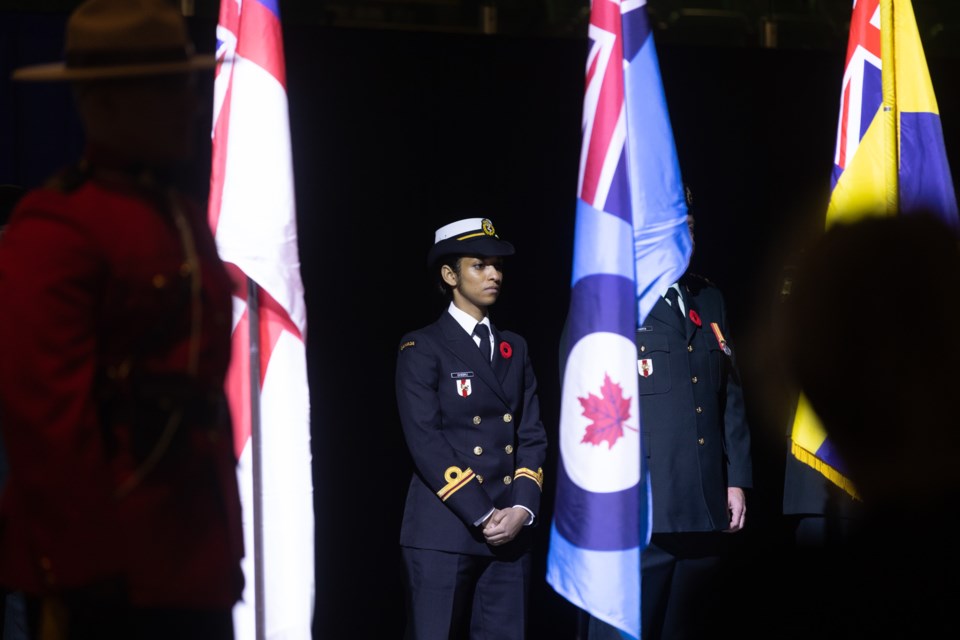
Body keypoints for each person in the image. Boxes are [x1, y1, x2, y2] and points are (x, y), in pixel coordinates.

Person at [0, 1, 243, 638]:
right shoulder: (57, 227)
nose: (191, 104)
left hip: (194, 556)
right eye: (168, 87)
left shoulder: (181, 214)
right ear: (103, 102)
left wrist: (225, 551)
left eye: (189, 83)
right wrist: (84, 578)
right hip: (112, 573)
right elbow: (47, 423)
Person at [588, 215, 753, 640]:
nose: (684, 239)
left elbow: (730, 396)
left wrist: (736, 481)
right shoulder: (613, 299)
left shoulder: (708, 298)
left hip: (704, 506)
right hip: (641, 510)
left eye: (691, 229)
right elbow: (587, 406)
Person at [394, 217, 548, 639]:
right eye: (479, 265)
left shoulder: (514, 346)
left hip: (510, 532)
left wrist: (521, 508)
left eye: (497, 265)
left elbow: (530, 433)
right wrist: (483, 512)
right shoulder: (421, 346)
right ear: (449, 275)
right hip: (446, 527)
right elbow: (426, 440)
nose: (494, 274)